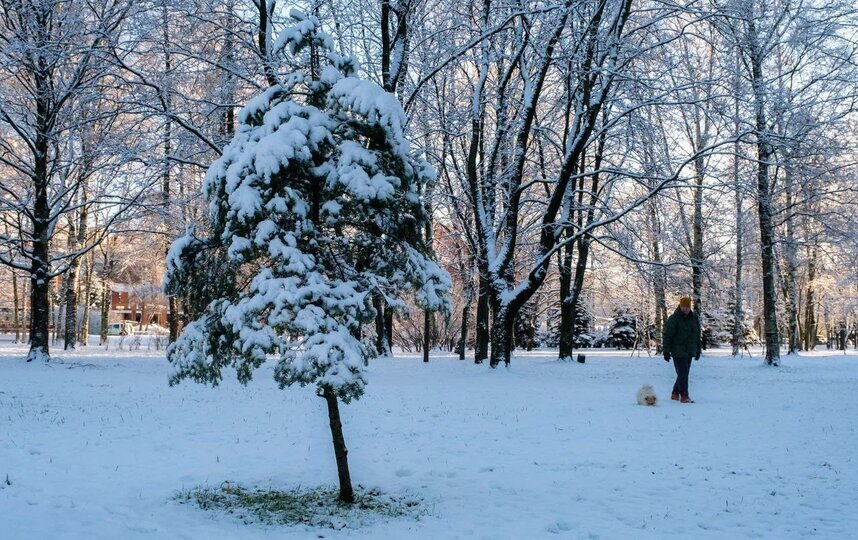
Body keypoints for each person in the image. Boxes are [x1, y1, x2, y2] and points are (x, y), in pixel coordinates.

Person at [663, 296, 701, 403]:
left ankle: (675, 393)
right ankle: (684, 395)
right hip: (677, 350)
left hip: (689, 350)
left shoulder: (694, 318)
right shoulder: (674, 319)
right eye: (683, 306)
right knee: (683, 373)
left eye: (687, 307)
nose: (685, 309)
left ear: (690, 307)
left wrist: (698, 350)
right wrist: (666, 351)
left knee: (683, 373)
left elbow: (697, 334)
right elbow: (667, 335)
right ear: (680, 306)